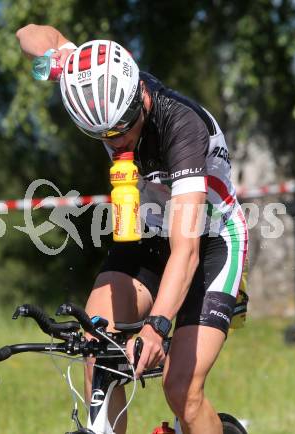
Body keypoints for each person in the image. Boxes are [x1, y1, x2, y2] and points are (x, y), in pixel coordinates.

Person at [16, 24, 248, 434]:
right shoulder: (92, 81)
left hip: (209, 241)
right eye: (104, 136)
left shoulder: (182, 126)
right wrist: (53, 61)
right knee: (97, 348)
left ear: (138, 95)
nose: (119, 141)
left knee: (182, 393)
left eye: (124, 128)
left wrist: (157, 325)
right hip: (148, 233)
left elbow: (187, 250)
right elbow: (33, 33)